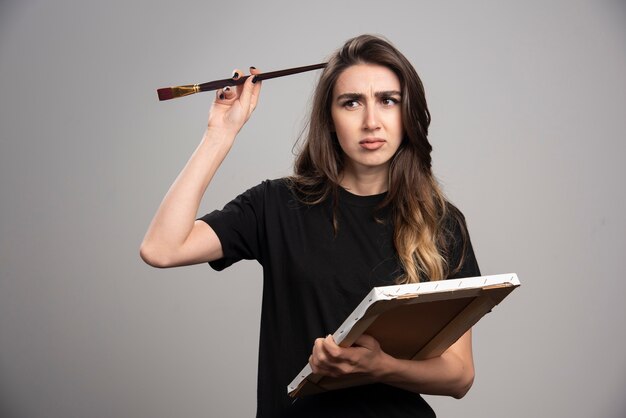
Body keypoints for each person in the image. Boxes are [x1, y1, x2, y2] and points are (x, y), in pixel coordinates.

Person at [140, 34, 480, 418]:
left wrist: (382, 366)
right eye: (351, 103)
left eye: (388, 101)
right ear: (330, 120)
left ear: (407, 113)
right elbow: (161, 249)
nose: (371, 122)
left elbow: (459, 376)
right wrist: (220, 134)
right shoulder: (276, 205)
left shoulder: (442, 221)